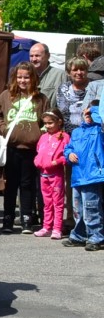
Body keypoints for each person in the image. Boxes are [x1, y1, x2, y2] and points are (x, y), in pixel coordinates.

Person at [0, 62, 48, 234]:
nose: (23, 80)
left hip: (31, 148)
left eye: (27, 77)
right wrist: (3, 128)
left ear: (33, 78)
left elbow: (47, 119)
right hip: (12, 147)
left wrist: (41, 133)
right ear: (15, 78)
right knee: (10, 185)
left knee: (28, 185)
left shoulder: (41, 98)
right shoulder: (6, 96)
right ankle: (7, 219)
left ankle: (27, 219)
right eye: (20, 77)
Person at [64, 101, 104, 251]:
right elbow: (68, 148)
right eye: (86, 113)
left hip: (93, 174)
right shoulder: (76, 132)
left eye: (92, 113)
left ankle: (96, 236)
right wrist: (69, 154)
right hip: (78, 175)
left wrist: (96, 113)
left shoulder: (99, 130)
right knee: (78, 209)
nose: (88, 116)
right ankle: (79, 235)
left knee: (91, 207)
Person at [34, 108, 69, 239]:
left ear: (59, 122)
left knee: (58, 202)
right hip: (43, 175)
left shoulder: (64, 137)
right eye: (46, 123)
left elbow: (67, 155)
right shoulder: (43, 137)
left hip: (56, 175)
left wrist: (56, 162)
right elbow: (39, 152)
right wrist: (37, 160)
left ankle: (57, 228)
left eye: (50, 123)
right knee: (46, 202)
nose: (47, 126)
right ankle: (46, 226)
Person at [57, 57, 90, 134]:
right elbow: (63, 113)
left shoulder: (95, 86)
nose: (79, 72)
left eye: (82, 69)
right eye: (75, 70)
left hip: (90, 132)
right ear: (69, 73)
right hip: (69, 133)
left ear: (87, 71)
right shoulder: (63, 88)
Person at [29, 43, 64, 108]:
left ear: (48, 56)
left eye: (37, 56)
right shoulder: (25, 76)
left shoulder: (60, 75)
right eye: (31, 56)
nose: (34, 59)